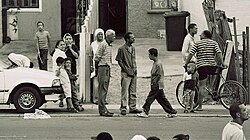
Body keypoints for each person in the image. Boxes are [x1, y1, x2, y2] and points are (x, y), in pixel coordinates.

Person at [185, 30, 225, 111]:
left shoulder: (198, 43)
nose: (200, 35)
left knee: (201, 86)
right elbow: (219, 53)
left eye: (201, 34)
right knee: (213, 78)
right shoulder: (214, 43)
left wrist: (186, 63)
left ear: (205, 35)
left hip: (202, 67)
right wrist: (222, 63)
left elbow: (191, 54)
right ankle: (214, 92)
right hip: (212, 66)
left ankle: (200, 107)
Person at [137, 48, 177, 118]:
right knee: (161, 99)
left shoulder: (158, 64)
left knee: (150, 98)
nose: (148, 56)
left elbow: (158, 74)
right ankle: (171, 111)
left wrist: (154, 83)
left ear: (153, 55)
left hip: (157, 84)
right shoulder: (156, 63)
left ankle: (145, 111)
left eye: (149, 54)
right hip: (158, 84)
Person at [115, 32, 142, 115]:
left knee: (133, 90)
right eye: (132, 38)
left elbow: (134, 60)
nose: (134, 39)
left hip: (134, 72)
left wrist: (135, 69)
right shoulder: (121, 49)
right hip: (126, 73)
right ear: (127, 39)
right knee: (124, 91)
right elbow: (119, 60)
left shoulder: (133, 48)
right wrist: (126, 69)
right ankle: (123, 107)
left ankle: (132, 107)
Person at [94, 29, 116, 117]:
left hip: (107, 67)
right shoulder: (103, 44)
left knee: (105, 88)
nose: (114, 37)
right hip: (102, 67)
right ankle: (102, 109)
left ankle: (104, 108)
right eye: (113, 36)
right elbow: (96, 58)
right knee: (102, 88)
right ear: (108, 36)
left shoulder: (109, 45)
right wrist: (97, 69)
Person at [89, 28, 105, 104]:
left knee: (103, 83)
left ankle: (103, 99)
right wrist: (91, 66)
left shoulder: (105, 43)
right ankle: (96, 98)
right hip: (95, 64)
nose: (100, 36)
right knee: (96, 83)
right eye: (98, 34)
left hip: (104, 65)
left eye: (101, 34)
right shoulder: (93, 44)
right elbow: (91, 55)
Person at [51, 40, 67, 107]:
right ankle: (63, 101)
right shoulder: (61, 53)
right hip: (61, 71)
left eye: (64, 44)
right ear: (57, 46)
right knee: (65, 86)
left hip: (55, 70)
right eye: (61, 45)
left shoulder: (55, 52)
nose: (63, 46)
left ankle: (61, 100)